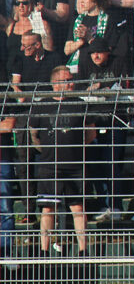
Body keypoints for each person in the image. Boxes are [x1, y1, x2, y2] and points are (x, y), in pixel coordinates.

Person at [33, 67, 96, 258]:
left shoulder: (80, 104)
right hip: (49, 164)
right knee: (48, 207)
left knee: (78, 207)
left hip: (75, 165)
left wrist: (76, 148)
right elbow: (34, 135)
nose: (71, 83)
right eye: (66, 80)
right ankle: (43, 251)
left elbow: (91, 132)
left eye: (71, 79)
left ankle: (84, 250)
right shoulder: (42, 105)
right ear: (54, 83)